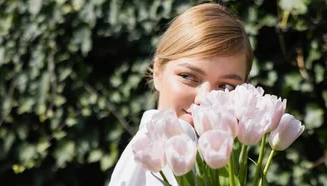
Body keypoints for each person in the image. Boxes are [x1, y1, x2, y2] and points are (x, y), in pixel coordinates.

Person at [108, 2, 253, 186]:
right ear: (158, 72)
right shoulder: (151, 155)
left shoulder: (220, 163)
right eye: (188, 76)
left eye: (226, 87)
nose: (204, 98)